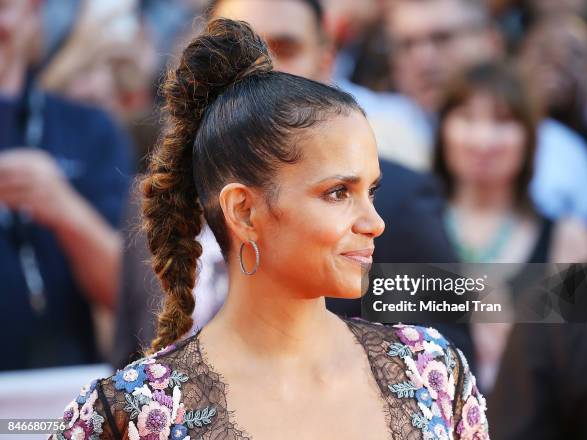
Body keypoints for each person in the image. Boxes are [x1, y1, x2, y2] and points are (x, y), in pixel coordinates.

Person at [53, 18, 489, 440]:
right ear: (243, 211)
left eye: (370, 190)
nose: (374, 223)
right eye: (338, 192)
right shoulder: (131, 414)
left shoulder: (431, 370)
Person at [113, 0, 474, 371]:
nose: (263, 75)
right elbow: (125, 360)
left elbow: (443, 377)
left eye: (285, 49)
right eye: (237, 56)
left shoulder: (400, 204)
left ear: (326, 62)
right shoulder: (156, 197)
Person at [432, 62, 587, 392]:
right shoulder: (401, 224)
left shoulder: (569, 239)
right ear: (442, 128)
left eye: (503, 121)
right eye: (467, 117)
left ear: (530, 136)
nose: (483, 139)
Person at [383, 0, 587, 222]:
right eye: (406, 45)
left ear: (492, 41)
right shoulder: (369, 134)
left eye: (442, 38)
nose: (423, 60)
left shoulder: (561, 153)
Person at [0, 0, 133, 370]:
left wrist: (63, 208)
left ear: (33, 8)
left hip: (56, 395)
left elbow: (129, 297)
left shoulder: (89, 129)